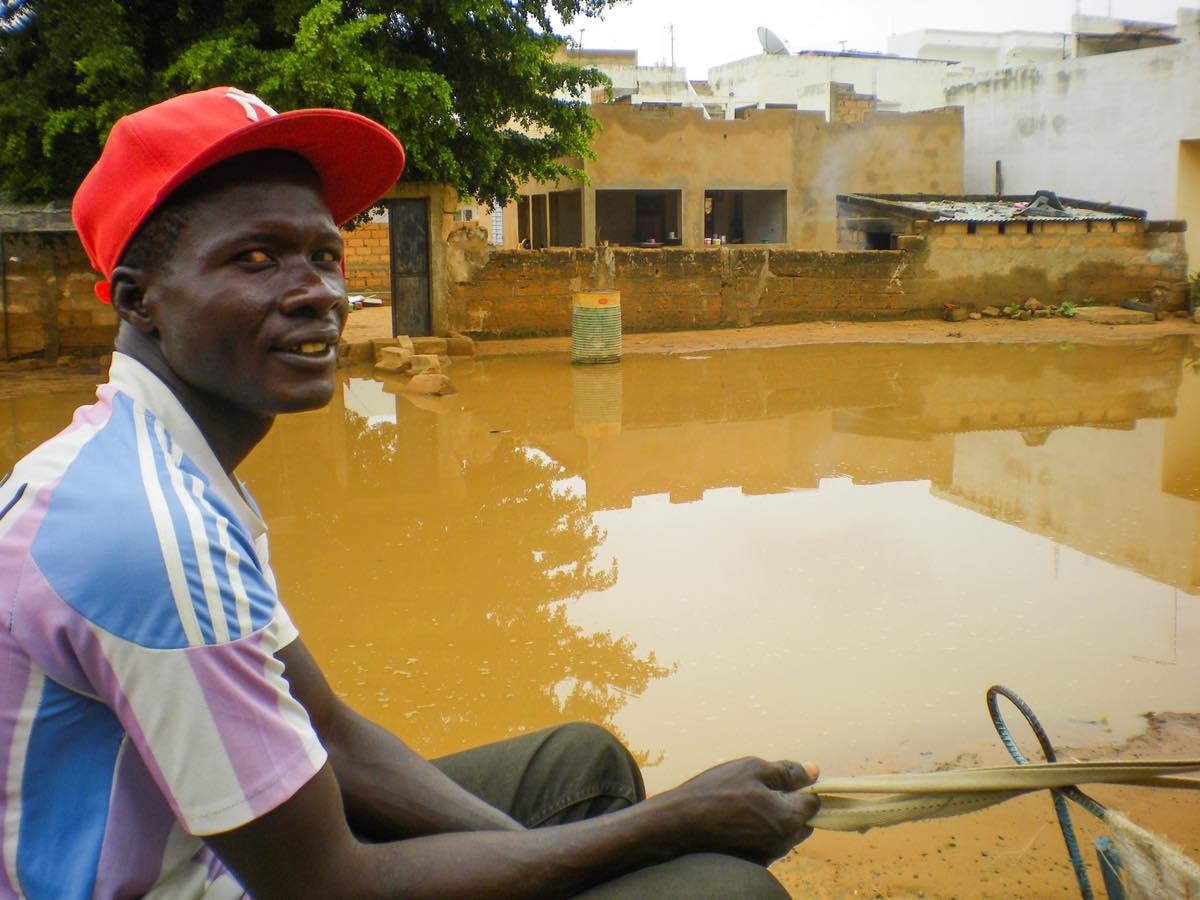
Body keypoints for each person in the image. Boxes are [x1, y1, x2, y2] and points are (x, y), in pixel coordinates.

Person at [0, 87, 820, 899]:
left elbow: (332, 732)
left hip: (219, 859)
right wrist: (672, 825)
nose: (318, 288)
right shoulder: (150, 534)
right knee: (721, 886)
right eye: (255, 258)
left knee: (583, 769)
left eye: (324, 254)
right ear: (139, 298)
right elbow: (328, 885)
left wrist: (575, 856)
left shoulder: (146, 467)